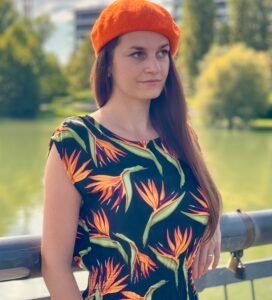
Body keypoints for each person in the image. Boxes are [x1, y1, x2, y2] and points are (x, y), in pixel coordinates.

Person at [41, 0, 223, 299]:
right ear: (108, 63)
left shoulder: (180, 137)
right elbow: (54, 265)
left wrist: (212, 220)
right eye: (137, 54)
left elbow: (194, 197)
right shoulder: (76, 141)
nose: (153, 66)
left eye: (162, 53)